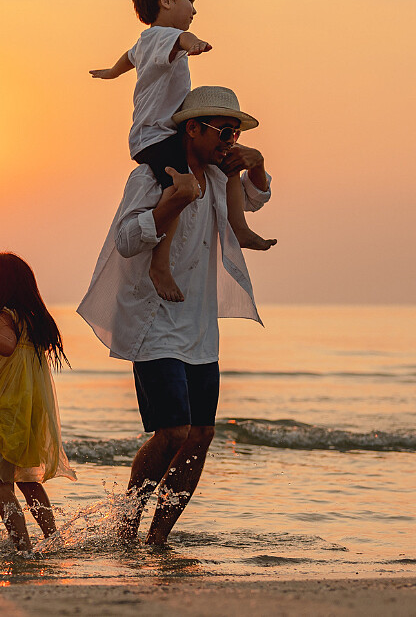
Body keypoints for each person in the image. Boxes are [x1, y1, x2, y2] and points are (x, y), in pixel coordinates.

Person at [77, 86, 273, 545]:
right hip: (154, 323)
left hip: (201, 329)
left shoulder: (219, 177)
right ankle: (126, 530)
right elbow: (127, 240)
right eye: (224, 131)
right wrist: (172, 200)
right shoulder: (151, 176)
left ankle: (158, 539)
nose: (230, 141)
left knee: (201, 434)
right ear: (193, 128)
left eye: (236, 132)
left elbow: (255, 198)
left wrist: (257, 163)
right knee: (173, 431)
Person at [90, 0, 275, 303]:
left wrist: (111, 72)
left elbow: (127, 59)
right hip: (157, 137)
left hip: (159, 134)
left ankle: (240, 227)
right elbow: (182, 39)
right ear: (166, 0)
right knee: (179, 189)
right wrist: (196, 43)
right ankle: (160, 264)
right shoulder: (162, 37)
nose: (194, 9)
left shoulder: (145, 45)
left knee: (230, 165)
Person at [0, 252, 76, 551]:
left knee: (0, 480)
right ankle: (53, 539)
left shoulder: (4, 316)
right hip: (31, 411)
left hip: (9, 410)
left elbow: (8, 347)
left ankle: (22, 547)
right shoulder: (33, 320)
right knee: (28, 481)